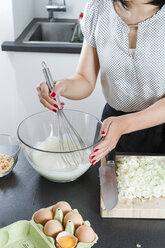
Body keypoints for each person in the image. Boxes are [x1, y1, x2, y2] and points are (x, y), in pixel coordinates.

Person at [37, 0, 165, 165]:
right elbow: (84, 78)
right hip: (113, 126)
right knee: (108, 188)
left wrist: (126, 124)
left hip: (159, 127)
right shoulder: (98, 7)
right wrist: (62, 86)